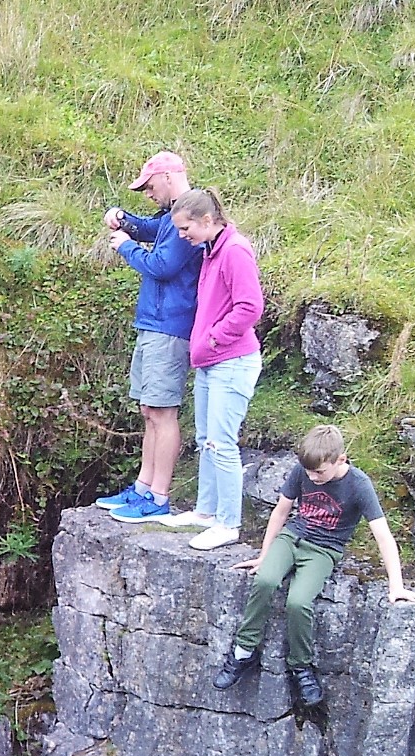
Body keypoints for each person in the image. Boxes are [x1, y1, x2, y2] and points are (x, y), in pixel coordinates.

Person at [213, 424, 415, 707]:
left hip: (324, 549)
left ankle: (300, 666)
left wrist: (396, 586)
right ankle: (243, 651)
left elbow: (383, 536)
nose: (313, 478)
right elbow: (281, 512)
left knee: (298, 602)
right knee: (265, 580)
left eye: (319, 472)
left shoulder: (359, 484)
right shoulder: (303, 471)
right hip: (292, 537)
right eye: (309, 472)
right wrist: (265, 554)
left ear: (341, 459)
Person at [97, 151, 202, 524]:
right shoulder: (172, 215)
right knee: (148, 410)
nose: (148, 193)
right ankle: (143, 488)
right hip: (154, 323)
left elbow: (163, 265)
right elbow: (150, 229)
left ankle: (158, 496)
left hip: (169, 325)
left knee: (162, 411)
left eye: (150, 185)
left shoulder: (189, 215)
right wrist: (125, 221)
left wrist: (125, 246)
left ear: (169, 176)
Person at [162, 187, 264, 551]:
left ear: (207, 220)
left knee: (222, 443)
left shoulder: (234, 250)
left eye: (186, 228)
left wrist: (214, 339)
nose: (182, 235)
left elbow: (250, 307)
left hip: (232, 362)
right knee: (206, 439)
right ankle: (206, 512)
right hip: (211, 361)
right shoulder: (210, 249)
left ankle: (228, 523)